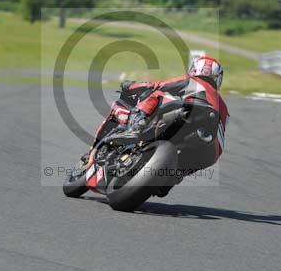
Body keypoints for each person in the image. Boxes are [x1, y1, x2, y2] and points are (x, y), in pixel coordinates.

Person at [93, 56, 228, 188]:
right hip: (209, 145)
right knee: (181, 169)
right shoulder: (222, 105)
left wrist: (131, 85)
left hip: (188, 113)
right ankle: (172, 178)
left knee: (156, 93)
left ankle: (136, 127)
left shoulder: (192, 80)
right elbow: (220, 143)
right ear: (218, 78)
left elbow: (158, 85)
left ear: (194, 69)